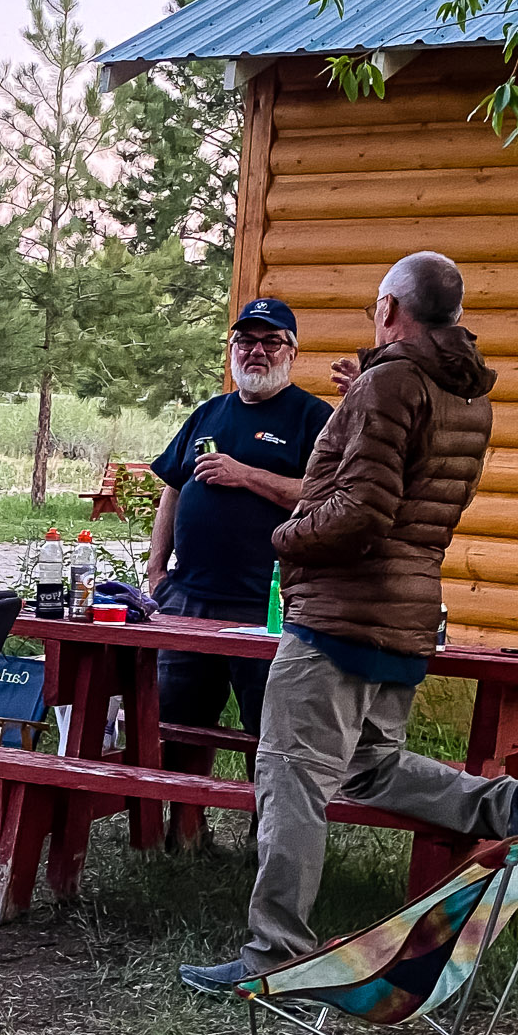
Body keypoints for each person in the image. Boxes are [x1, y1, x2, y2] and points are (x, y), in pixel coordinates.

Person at [179, 253, 518, 994]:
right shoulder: (466, 395)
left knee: (290, 774)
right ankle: (507, 803)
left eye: (374, 308)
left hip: (339, 613)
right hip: (408, 611)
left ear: (393, 308)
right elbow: (421, 503)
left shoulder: (392, 382)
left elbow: (360, 513)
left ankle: (274, 956)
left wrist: (284, 538)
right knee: (372, 767)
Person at [145, 298, 334, 825]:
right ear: (231, 350)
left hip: (268, 601)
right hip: (190, 596)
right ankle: (184, 829)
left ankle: (266, 836)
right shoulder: (210, 412)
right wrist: (158, 570)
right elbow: (173, 489)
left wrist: (245, 474)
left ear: (292, 352)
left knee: (268, 729)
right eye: (245, 342)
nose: (256, 352)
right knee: (179, 720)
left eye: (270, 341)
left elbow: (325, 498)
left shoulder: (313, 418)